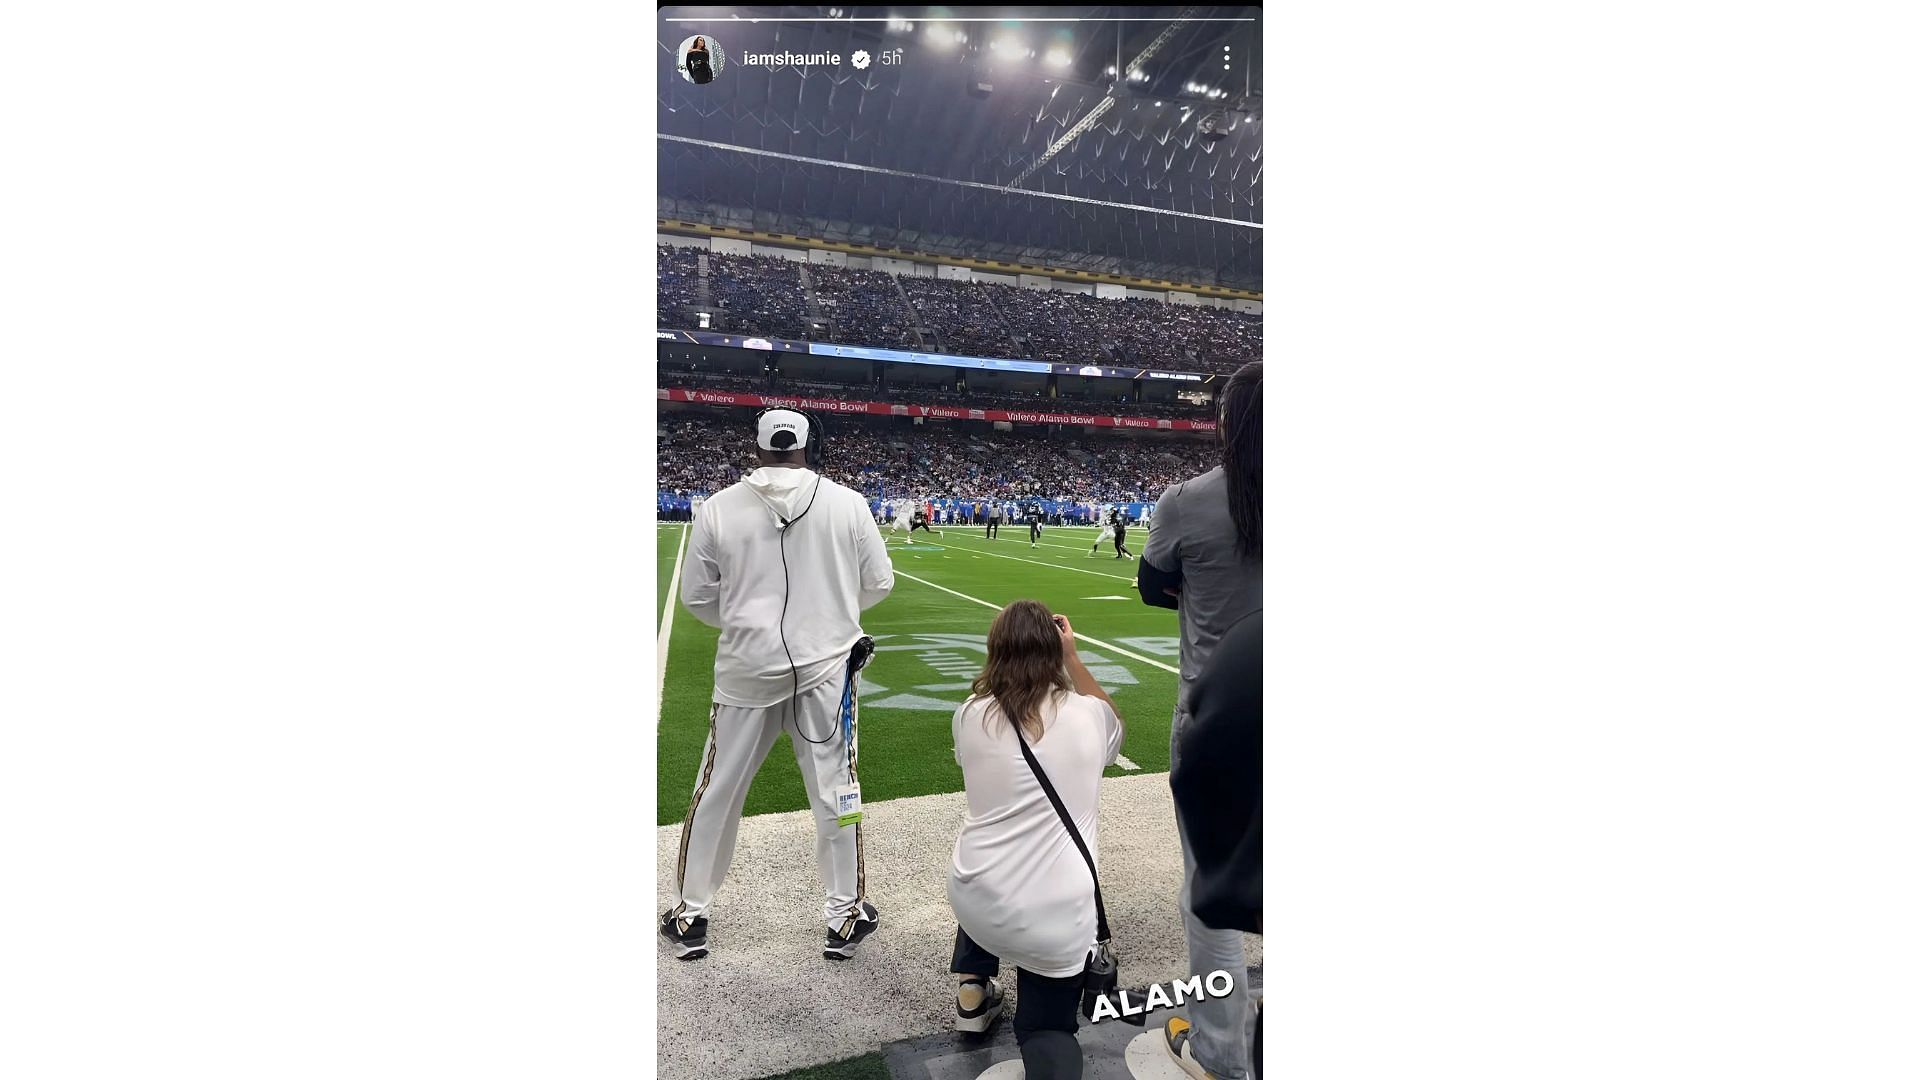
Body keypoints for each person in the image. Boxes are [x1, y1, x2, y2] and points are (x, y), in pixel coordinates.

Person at [663, 408, 894, 963]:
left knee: (716, 791)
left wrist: (746, 622)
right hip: (826, 674)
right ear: (808, 445)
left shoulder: (718, 507)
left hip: (745, 670)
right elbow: (879, 582)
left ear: (759, 446)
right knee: (837, 792)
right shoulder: (848, 503)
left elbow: (698, 597)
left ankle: (692, 913)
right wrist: (832, 618)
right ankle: (843, 916)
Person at [1136, 360, 1262, 1079]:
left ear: (1226, 424)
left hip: (1219, 720)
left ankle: (1219, 1049)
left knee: (1209, 896)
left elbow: (1154, 585)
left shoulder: (1187, 501)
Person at [948, 602, 1125, 1080]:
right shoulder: (1089, 715)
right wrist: (1074, 658)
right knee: (1048, 1030)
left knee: (999, 859)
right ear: (1055, 650)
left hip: (976, 899)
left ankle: (972, 988)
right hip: (1057, 915)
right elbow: (1116, 727)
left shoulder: (969, 715)